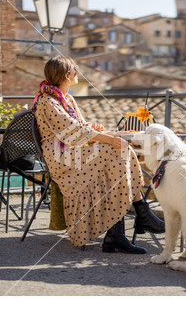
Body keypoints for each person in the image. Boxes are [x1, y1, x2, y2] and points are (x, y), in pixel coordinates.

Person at [32, 56, 164, 254]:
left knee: (120, 153)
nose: (77, 74)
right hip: (62, 157)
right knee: (116, 151)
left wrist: (94, 130)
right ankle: (137, 217)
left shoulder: (67, 98)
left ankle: (120, 231)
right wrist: (108, 139)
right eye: (75, 70)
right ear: (67, 75)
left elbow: (80, 127)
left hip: (73, 151)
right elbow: (71, 131)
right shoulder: (47, 101)